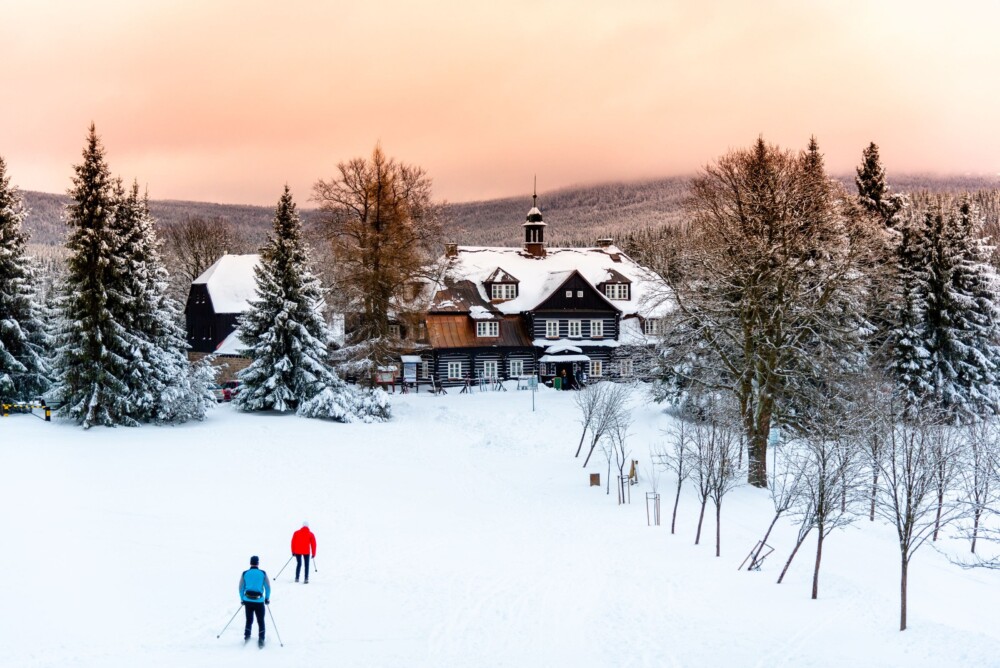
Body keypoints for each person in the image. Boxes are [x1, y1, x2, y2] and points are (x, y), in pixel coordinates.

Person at [239, 555, 271, 648]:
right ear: (258, 563)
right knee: (260, 621)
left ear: (250, 563)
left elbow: (241, 587)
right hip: (259, 601)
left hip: (247, 600)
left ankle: (247, 637)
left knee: (249, 620)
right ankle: (261, 639)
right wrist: (267, 598)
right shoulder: (262, 573)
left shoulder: (245, 573)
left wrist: (242, 599)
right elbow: (268, 587)